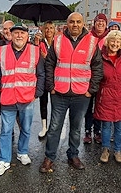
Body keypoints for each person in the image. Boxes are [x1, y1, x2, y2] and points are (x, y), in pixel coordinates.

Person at [40, 12, 103, 173]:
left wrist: (91, 90)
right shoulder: (58, 39)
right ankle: (49, 157)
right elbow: (49, 64)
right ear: (67, 23)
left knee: (76, 127)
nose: (75, 25)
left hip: (81, 95)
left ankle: (73, 155)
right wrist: (51, 87)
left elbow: (97, 68)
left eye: (78, 22)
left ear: (83, 24)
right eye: (72, 22)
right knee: (54, 127)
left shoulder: (91, 42)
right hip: (59, 93)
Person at [0, 23, 45, 176]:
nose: (19, 36)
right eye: (16, 33)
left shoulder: (35, 51)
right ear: (11, 35)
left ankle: (22, 152)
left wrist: (37, 93)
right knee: (6, 131)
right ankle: (4, 160)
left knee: (26, 129)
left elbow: (41, 74)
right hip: (7, 98)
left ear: (27, 36)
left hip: (27, 98)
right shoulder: (1, 52)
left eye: (22, 33)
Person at [94, 30, 121, 163]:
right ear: (107, 42)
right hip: (105, 95)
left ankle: (117, 150)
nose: (115, 44)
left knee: (119, 126)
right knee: (106, 125)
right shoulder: (100, 56)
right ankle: (105, 150)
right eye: (112, 41)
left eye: (118, 42)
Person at [84, 13, 109, 144]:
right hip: (89, 77)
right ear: (94, 23)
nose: (100, 24)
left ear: (106, 24)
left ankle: (97, 131)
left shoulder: (109, 37)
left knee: (100, 106)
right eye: (98, 21)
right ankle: (87, 130)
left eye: (103, 22)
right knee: (88, 106)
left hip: (104, 78)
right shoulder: (88, 37)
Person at [37, 21, 56, 139]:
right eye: (46, 28)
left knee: (55, 103)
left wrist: (47, 57)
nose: (48, 30)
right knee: (43, 102)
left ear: (54, 30)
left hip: (55, 76)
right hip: (43, 76)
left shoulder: (57, 43)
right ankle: (44, 126)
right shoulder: (39, 42)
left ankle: (53, 126)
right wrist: (36, 44)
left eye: (51, 28)